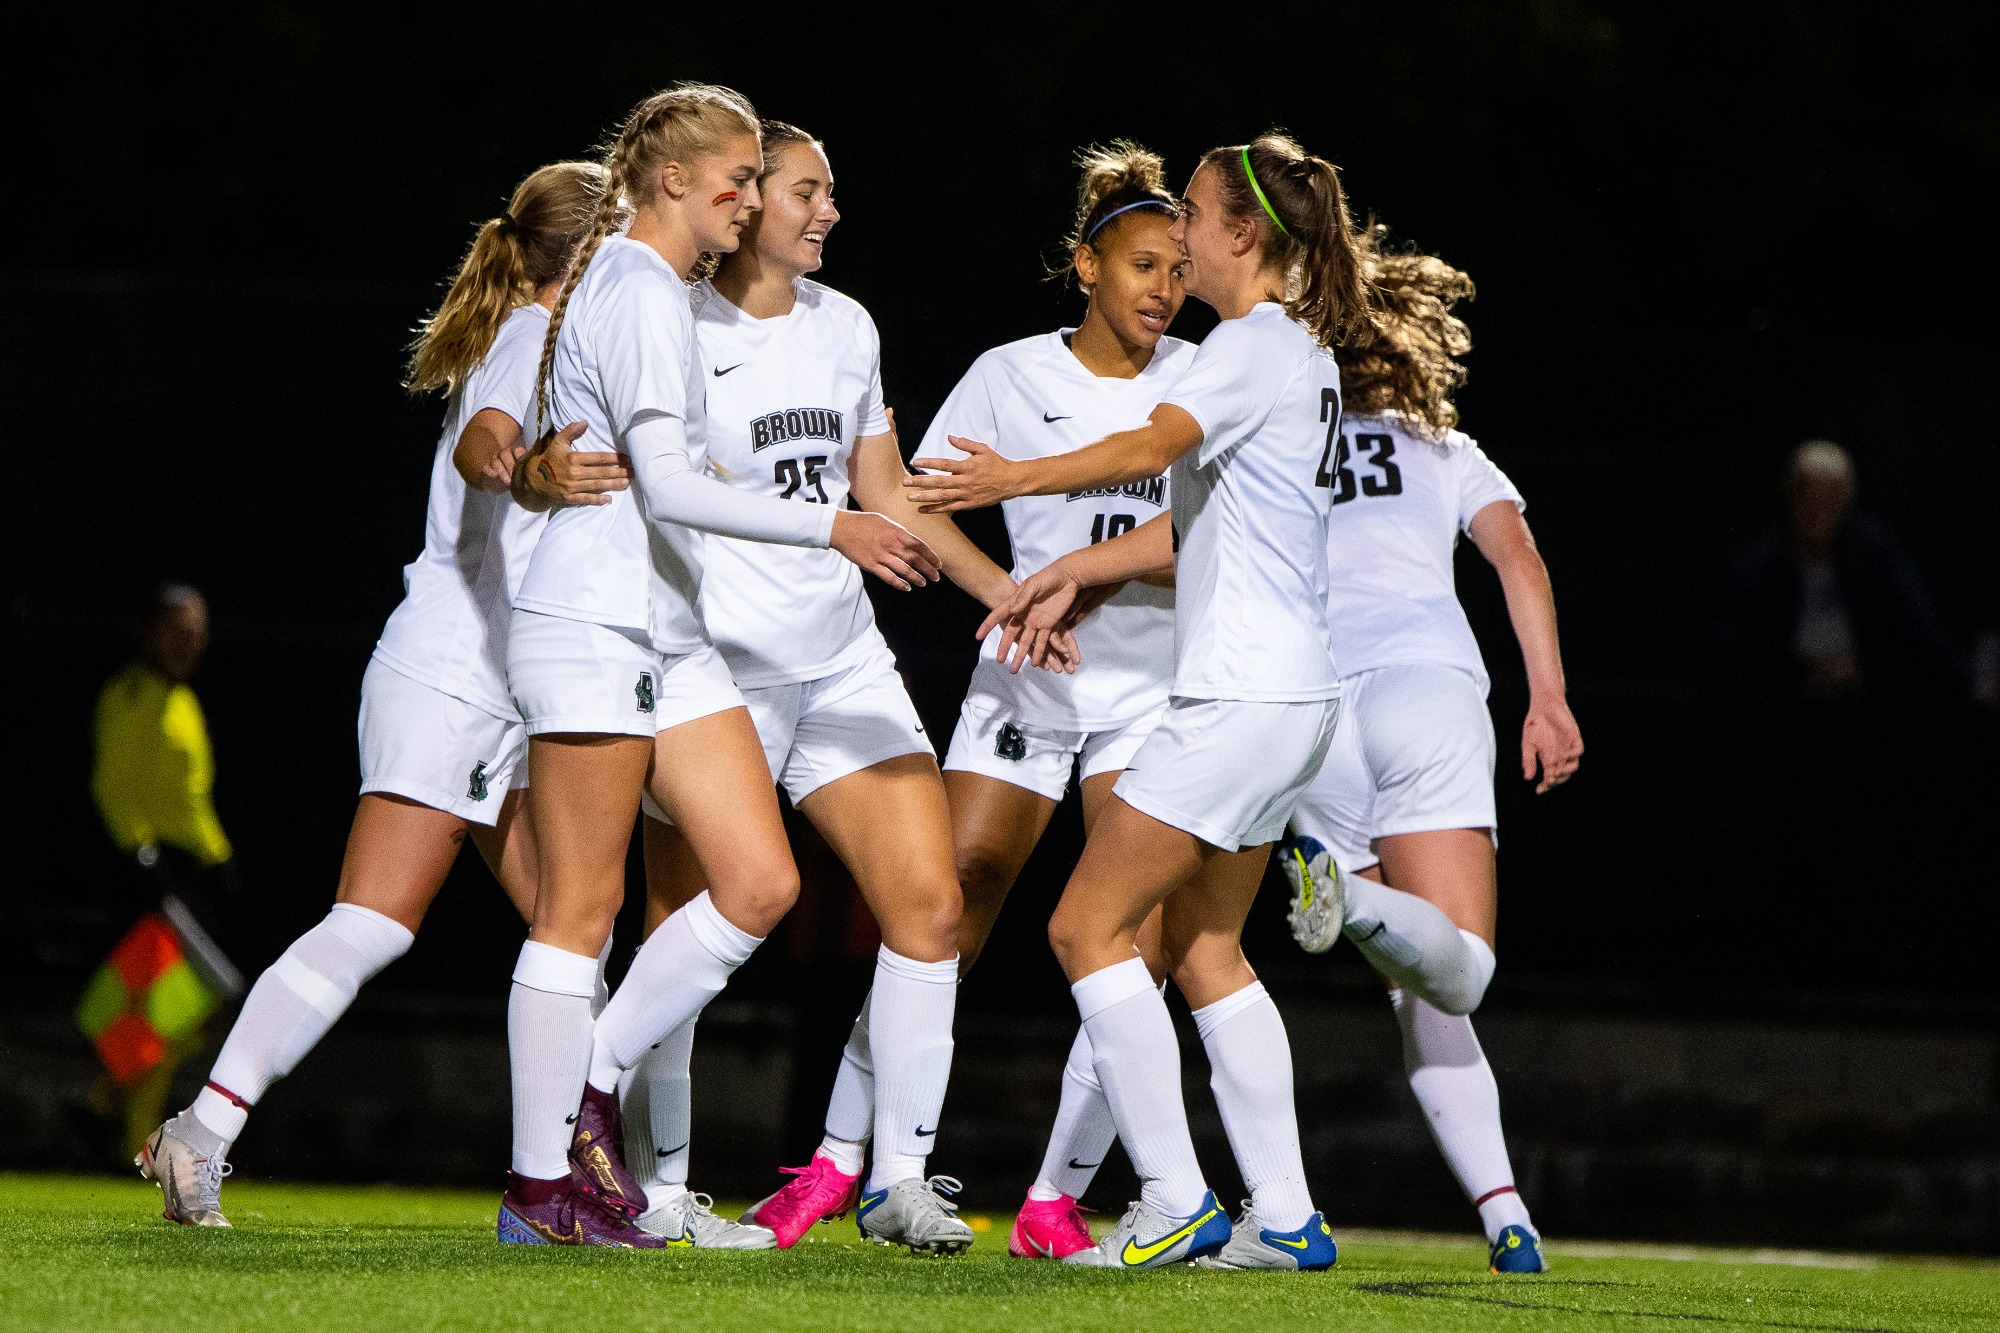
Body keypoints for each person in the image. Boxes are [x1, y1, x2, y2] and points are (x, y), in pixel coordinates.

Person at [908, 132, 1373, 1271]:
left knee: (1084, 927)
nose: (1182, 238)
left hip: (1235, 696)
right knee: (1208, 952)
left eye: (1196, 219)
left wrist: (1012, 477)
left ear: (1242, 234)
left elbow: (1150, 445)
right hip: (1294, 695)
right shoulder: (1300, 351)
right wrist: (1079, 565)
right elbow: (1199, 519)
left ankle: (1173, 1191)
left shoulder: (1248, 345)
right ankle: (1288, 1218)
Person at [136, 161, 621, 1228]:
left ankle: (574, 1179)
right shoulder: (532, 337)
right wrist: (525, 469)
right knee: (373, 921)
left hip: (513, 687)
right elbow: (490, 443)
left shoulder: (576, 343)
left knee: (574, 929)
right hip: (450, 675)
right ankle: (199, 1132)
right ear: (590, 253)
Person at [732, 141, 1192, 1257]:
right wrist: (1006, 592)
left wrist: (1080, 575)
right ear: (1086, 264)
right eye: (1143, 264)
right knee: (943, 914)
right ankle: (839, 1163)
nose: (1163, 290)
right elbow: (914, 503)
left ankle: (1055, 1197)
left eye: (1180, 271)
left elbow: (1214, 539)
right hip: (1028, 677)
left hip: (1153, 688)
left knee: (1134, 944)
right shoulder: (1009, 373)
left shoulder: (1200, 377)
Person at [498, 85, 938, 1247]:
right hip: (595, 621)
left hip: (669, 628)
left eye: (755, 178)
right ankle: (541, 1184)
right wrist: (835, 525)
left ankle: (585, 1086)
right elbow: (668, 485)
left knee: (757, 883)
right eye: (738, 178)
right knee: (580, 909)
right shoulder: (641, 289)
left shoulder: (656, 289)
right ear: (672, 180)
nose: (748, 198)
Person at [613, 120, 999, 1254]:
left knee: (930, 906)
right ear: (743, 204)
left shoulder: (847, 326)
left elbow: (886, 489)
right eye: (803, 190)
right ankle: (657, 1184)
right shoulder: (674, 320)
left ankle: (899, 1180)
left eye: (830, 192)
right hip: (712, 665)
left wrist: (1002, 591)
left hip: (838, 658)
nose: (827, 209)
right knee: (681, 926)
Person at [1272, 238, 1582, 1275]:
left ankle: (1507, 1219)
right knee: (1458, 975)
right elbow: (1517, 557)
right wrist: (1547, 698)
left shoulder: (1284, 432)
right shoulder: (1444, 446)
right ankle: (1355, 902)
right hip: (1425, 687)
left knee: (1413, 982)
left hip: (1309, 705)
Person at [89, 583, 242, 1162]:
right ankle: (130, 1136)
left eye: (198, 633)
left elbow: (192, 797)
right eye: (177, 631)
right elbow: (112, 783)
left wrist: (219, 858)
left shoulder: (184, 700)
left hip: (190, 870)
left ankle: (105, 1101)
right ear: (147, 631)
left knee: (198, 1007)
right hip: (149, 870)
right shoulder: (129, 694)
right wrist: (142, 857)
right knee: (172, 1009)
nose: (189, 643)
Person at [1717, 440, 1966, 700]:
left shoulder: (1872, 551)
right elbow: (1736, 651)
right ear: (1790, 498)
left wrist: (1966, 685)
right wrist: (1801, 675)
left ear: (1848, 503)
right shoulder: (1758, 564)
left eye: (1832, 501)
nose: (1819, 514)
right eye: (1810, 499)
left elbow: (1919, 626)